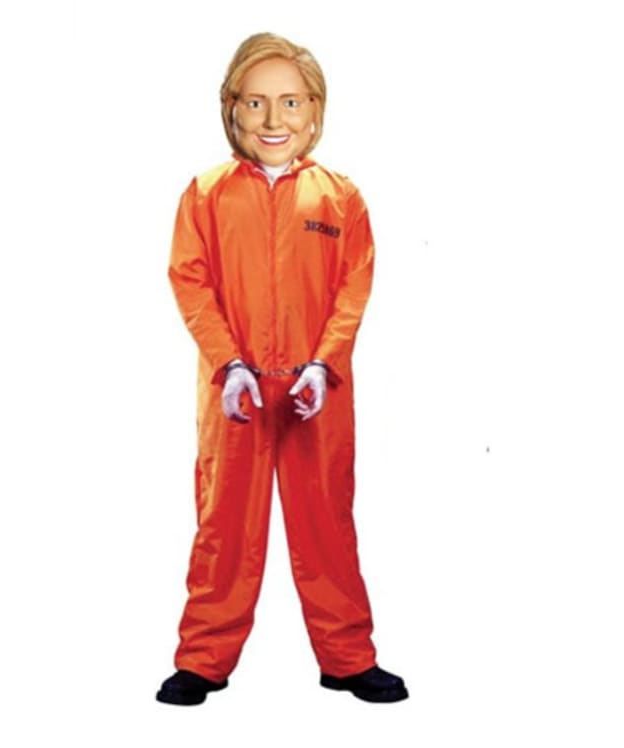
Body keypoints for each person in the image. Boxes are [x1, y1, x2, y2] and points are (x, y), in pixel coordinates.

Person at [156, 31, 409, 706]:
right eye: (256, 102)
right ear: (231, 108)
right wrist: (228, 363)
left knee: (327, 521)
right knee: (223, 527)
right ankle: (203, 659)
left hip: (314, 393)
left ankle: (347, 657)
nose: (274, 120)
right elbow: (190, 281)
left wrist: (324, 366)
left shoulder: (339, 198)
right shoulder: (206, 195)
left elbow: (354, 287)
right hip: (233, 394)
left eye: (291, 102)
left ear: (315, 109)